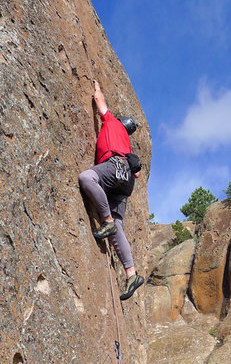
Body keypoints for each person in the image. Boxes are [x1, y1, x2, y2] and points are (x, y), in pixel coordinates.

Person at [78, 80, 145, 301]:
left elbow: (100, 102)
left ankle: (105, 220)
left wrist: (97, 88)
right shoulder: (128, 146)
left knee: (87, 177)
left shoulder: (112, 122)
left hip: (114, 167)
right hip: (126, 182)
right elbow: (136, 173)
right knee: (119, 226)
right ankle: (131, 273)